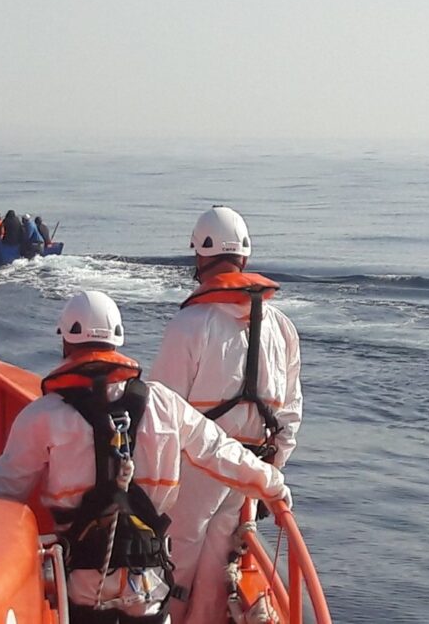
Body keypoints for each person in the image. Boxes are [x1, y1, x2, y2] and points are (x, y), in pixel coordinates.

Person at [0, 290, 292, 624]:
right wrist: (272, 486)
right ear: (118, 342)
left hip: (83, 585)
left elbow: (2, 491)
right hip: (149, 587)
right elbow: (219, 451)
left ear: (66, 343)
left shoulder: (42, 416)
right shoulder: (164, 404)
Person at [149, 205, 303, 624]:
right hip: (251, 466)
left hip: (198, 465)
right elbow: (290, 412)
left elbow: (160, 411)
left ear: (200, 257)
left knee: (175, 556)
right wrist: (270, 473)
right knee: (219, 563)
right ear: (246, 259)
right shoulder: (282, 327)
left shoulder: (190, 324)